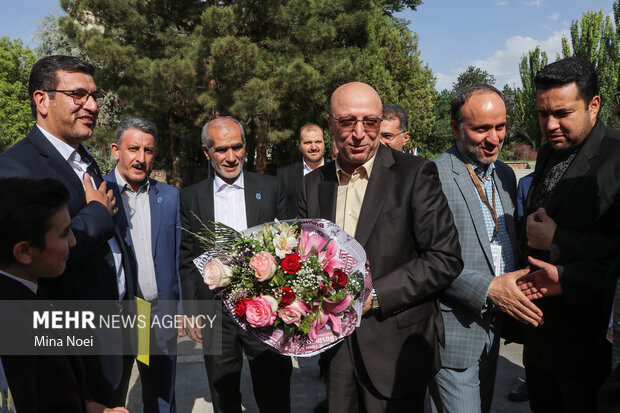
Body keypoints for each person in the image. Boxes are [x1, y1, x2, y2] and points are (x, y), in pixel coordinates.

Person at [299, 81, 463, 412]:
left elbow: (444, 259)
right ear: (331, 123)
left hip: (396, 348)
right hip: (335, 350)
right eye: (347, 122)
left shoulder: (415, 174)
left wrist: (372, 296)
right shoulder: (314, 184)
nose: (360, 133)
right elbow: (304, 258)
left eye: (370, 122)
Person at [0, 55, 134, 406]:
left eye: (94, 95)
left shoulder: (84, 156)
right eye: (78, 94)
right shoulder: (15, 167)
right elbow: (32, 254)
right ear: (42, 100)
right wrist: (97, 215)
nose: (92, 105)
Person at [515, 57, 620, 412]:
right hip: (541, 344)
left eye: (562, 113)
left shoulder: (616, 156)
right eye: (543, 114)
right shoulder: (548, 150)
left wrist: (559, 242)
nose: (550, 124)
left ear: (594, 105)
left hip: (590, 352)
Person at [429, 84, 542, 413]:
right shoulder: (432, 175)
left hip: (496, 325)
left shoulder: (506, 174)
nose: (494, 138)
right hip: (455, 332)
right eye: (481, 129)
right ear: (455, 127)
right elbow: (427, 259)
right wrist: (489, 288)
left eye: (501, 127)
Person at [180, 116, 292, 413]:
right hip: (216, 313)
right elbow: (187, 258)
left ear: (246, 146)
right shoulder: (190, 197)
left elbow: (289, 246)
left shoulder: (271, 188)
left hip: (266, 310)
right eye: (221, 150)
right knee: (223, 394)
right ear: (207, 152)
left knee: (274, 390)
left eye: (237, 147)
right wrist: (192, 311)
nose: (231, 157)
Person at [0, 177, 129, 413]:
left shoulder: (28, 293)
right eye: (64, 233)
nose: (73, 241)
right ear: (25, 251)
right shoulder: (13, 326)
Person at [104, 118, 183, 413]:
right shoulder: (98, 194)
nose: (140, 158)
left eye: (148, 151)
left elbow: (178, 257)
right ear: (116, 150)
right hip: (118, 317)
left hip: (158, 314)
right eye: (133, 148)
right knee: (111, 399)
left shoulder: (170, 197)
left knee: (162, 397)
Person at [276, 123, 325, 218]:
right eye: (308, 143)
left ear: (324, 143)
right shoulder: (284, 175)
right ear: (299, 146)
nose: (314, 147)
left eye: (318, 142)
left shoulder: (336, 172)